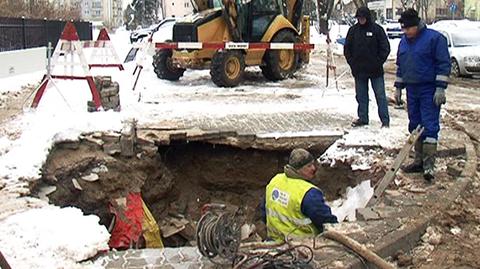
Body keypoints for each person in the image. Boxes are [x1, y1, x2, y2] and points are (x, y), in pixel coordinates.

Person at [394, 9, 450, 181]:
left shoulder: (434, 39)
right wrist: (398, 87)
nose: (406, 32)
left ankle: (429, 166)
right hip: (412, 89)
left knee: (429, 125)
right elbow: (401, 65)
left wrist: (440, 88)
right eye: (403, 29)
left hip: (429, 89)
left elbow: (443, 64)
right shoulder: (404, 42)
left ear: (417, 25)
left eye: (408, 29)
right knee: (415, 125)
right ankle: (418, 161)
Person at [260, 148, 337, 242]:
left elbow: (264, 212)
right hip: (301, 245)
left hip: (273, 241)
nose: (313, 168)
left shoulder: (275, 180)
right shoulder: (308, 193)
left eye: (313, 164)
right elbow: (326, 222)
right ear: (299, 169)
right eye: (309, 166)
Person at [344, 6, 391, 128]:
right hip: (359, 71)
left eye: (363, 18)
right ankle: (363, 118)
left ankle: (385, 121)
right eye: (359, 18)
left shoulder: (377, 30)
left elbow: (385, 48)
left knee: (380, 96)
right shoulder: (353, 31)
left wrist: (378, 62)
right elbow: (347, 49)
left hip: (376, 71)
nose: (361, 20)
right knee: (361, 96)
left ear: (368, 17)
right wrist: (352, 63)